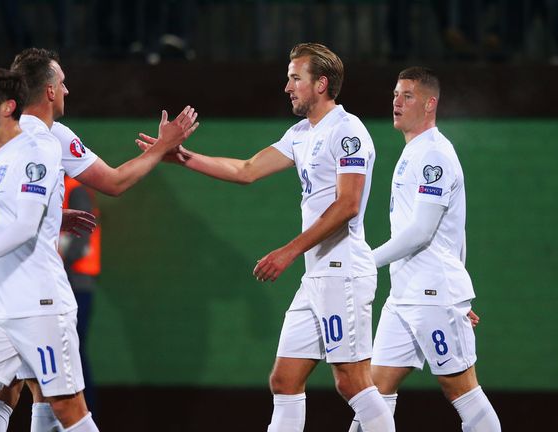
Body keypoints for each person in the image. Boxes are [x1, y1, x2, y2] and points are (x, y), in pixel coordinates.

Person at [137, 42, 394, 432]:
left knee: (351, 380)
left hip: (343, 272)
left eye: (295, 78)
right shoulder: (301, 133)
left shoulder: (347, 131)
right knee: (285, 379)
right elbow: (246, 169)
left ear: (321, 84)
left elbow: (348, 205)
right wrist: (184, 157)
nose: (287, 86)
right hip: (318, 276)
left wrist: (288, 251)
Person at [0, 48, 199, 431]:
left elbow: (0, 207)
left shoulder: (6, 138)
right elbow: (115, 182)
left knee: (49, 401)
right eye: (63, 83)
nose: (68, 90)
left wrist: (50, 212)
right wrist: (161, 146)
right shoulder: (40, 138)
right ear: (52, 91)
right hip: (5, 297)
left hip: (31, 298)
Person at [347, 67, 501, 431]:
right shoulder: (414, 151)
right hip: (405, 295)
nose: (397, 103)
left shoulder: (434, 156)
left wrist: (365, 261)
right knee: (373, 392)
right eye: (396, 95)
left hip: (431, 294)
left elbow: (421, 231)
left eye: (408, 96)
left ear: (431, 104)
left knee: (461, 391)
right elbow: (453, 234)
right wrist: (458, 292)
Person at [59, 176, 101, 413]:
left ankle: (84, 416)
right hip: (70, 283)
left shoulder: (75, 190)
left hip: (75, 285)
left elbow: (81, 240)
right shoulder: (63, 187)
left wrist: (53, 267)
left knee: (72, 353)